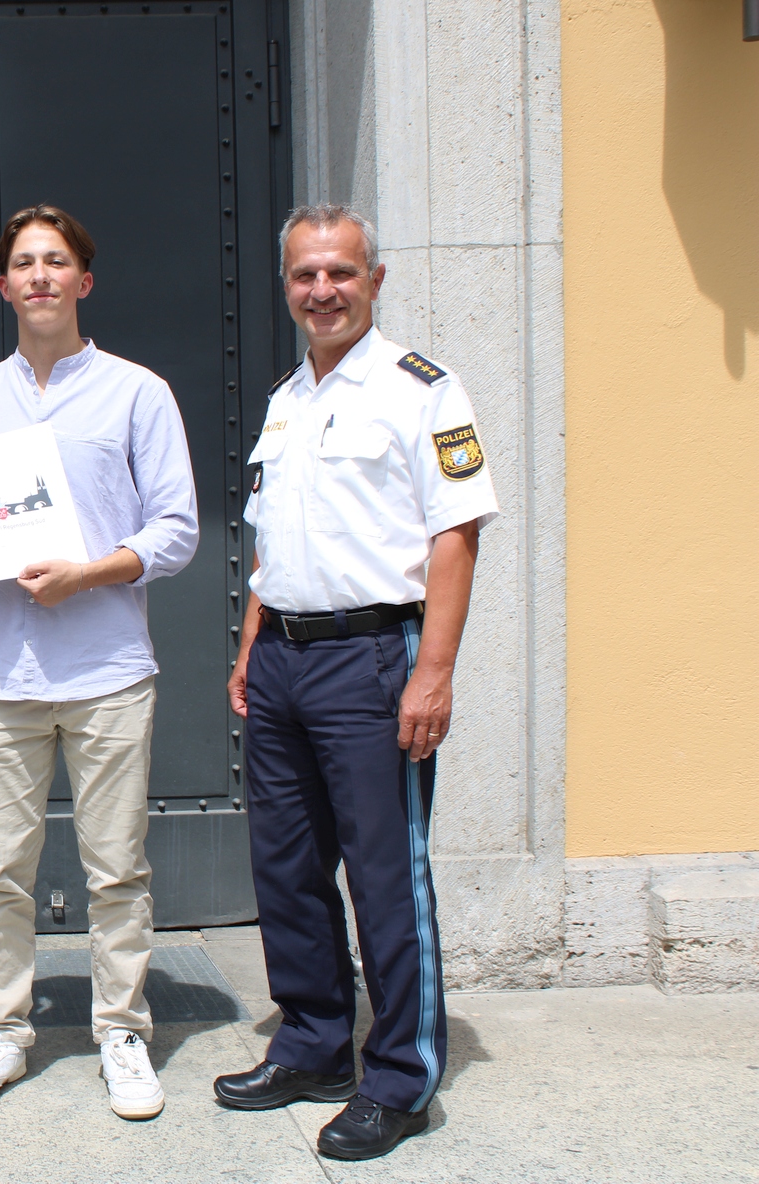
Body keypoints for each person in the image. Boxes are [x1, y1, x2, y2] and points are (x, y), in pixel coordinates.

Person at [214, 203, 499, 1161]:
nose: (322, 290)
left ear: (375, 281)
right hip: (286, 659)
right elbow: (271, 546)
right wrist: (253, 644)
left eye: (341, 273)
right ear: (287, 286)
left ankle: (402, 1075)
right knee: (286, 870)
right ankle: (312, 1043)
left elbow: (454, 535)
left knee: (386, 876)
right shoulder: (287, 397)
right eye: (305, 275)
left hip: (375, 661)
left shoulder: (422, 389)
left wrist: (434, 674)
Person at [0, 204, 199, 1120]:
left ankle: (121, 1029)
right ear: (3, 286)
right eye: (24, 264)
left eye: (57, 261)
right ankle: (3, 1030)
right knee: (1, 870)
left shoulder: (136, 393)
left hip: (109, 667)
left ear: (85, 279)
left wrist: (89, 573)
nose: (40, 276)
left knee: (116, 868)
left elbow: (178, 530)